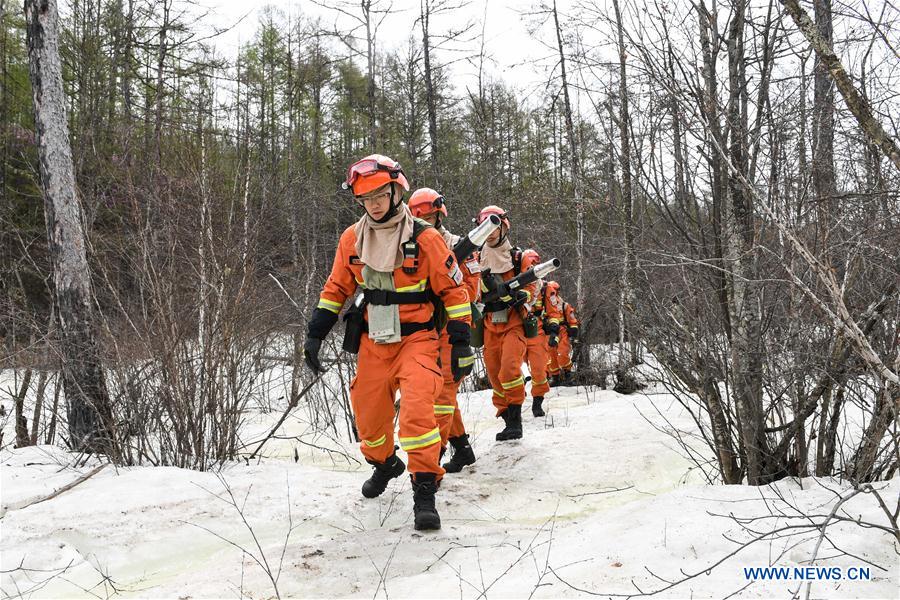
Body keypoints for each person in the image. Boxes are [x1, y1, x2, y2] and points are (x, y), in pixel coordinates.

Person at [303, 155, 474, 531]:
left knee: (418, 417)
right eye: (366, 198)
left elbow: (455, 291)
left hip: (418, 340)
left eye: (381, 194)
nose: (375, 203)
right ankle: (385, 463)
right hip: (374, 342)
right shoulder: (352, 239)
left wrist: (461, 341)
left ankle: (424, 492)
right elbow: (336, 288)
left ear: (397, 192)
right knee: (368, 418)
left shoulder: (425, 239)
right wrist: (316, 332)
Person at [408, 188, 479, 474]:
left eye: (428, 215)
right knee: (436, 391)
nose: (424, 219)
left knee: (443, 393)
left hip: (453, 328)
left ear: (439, 215)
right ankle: (462, 448)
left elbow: (471, 292)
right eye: (419, 215)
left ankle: (432, 457)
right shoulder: (410, 246)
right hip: (423, 327)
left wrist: (446, 279)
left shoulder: (462, 247)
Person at [476, 205, 540, 441]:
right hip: (490, 323)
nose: (490, 232)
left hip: (513, 321)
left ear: (504, 227)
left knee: (509, 369)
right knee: (494, 374)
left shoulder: (518, 257)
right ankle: (506, 418)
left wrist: (521, 295)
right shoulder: (476, 258)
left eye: (495, 227)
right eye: (486, 228)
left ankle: (516, 421)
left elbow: (534, 285)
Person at [526, 272, 563, 416]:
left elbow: (554, 314)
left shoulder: (545, 289)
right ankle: (513, 405)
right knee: (511, 369)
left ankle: (537, 403)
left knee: (539, 368)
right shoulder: (512, 282)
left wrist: (554, 333)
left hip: (537, 330)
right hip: (513, 328)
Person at [546, 283, 579, 386]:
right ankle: (555, 378)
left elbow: (572, 319)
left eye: (554, 291)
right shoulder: (545, 304)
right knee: (551, 355)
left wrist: (573, 330)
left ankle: (568, 374)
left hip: (562, 331)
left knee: (562, 354)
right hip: (550, 332)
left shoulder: (564, 305)